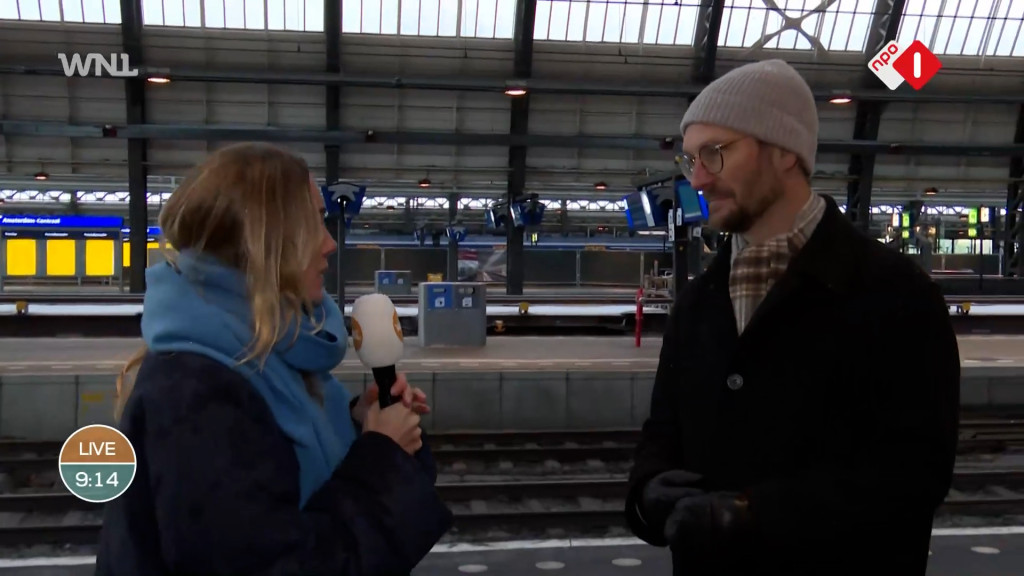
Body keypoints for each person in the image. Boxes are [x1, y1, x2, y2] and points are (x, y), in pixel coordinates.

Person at [625, 59, 960, 576]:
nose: (698, 179)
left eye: (715, 153)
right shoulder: (698, 301)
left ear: (784, 151)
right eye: (691, 159)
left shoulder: (896, 295)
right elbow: (663, 431)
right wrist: (648, 490)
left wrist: (754, 515)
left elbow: (913, 473)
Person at [95, 142, 453, 575]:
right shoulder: (195, 395)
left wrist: (362, 425)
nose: (329, 244)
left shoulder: (267, 355)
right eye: (312, 224)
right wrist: (381, 456)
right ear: (263, 243)